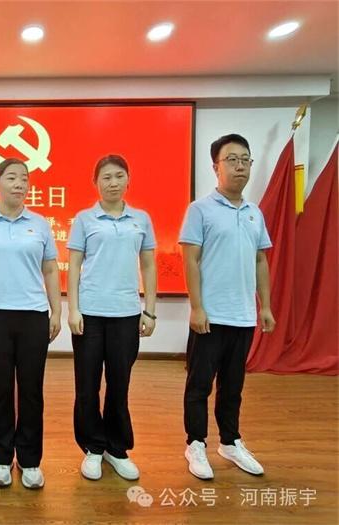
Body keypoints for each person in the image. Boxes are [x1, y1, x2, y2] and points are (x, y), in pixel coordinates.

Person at [179, 134, 275, 480]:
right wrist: (197, 307)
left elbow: (260, 261)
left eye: (245, 159)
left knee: (233, 386)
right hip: (211, 315)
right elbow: (190, 260)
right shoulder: (200, 209)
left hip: (243, 316)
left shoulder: (254, 213)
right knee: (200, 385)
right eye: (231, 159)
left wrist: (265, 307)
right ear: (216, 167)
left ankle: (230, 442)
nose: (240, 166)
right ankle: (195, 443)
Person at [0, 157, 61, 489]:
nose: (19, 184)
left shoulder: (40, 223)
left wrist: (56, 312)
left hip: (34, 315)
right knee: (0, 390)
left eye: (24, 179)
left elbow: (50, 269)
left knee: (32, 391)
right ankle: (2, 459)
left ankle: (30, 461)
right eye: (11, 178)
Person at [67, 154, 157, 482]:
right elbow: (73, 265)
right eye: (106, 177)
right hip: (90, 314)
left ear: (128, 180)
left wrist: (150, 309)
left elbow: (148, 265)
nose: (113, 183)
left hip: (126, 314)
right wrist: (73, 309)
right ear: (96, 183)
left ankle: (117, 449)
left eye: (119, 176)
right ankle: (93, 447)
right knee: (87, 385)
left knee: (119, 384)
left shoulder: (141, 219)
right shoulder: (84, 219)